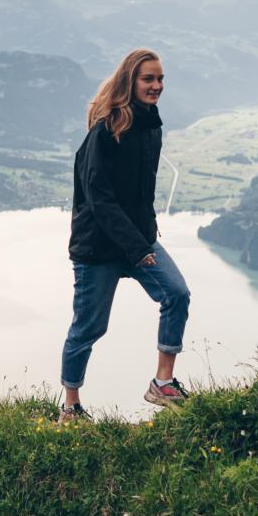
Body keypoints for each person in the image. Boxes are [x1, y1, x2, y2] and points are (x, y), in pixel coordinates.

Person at [60, 48, 190, 421]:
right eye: (148, 79)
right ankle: (70, 407)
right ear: (129, 81)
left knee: (177, 294)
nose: (156, 85)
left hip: (137, 239)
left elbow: (141, 190)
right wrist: (136, 245)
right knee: (89, 328)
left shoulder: (151, 127)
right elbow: (99, 199)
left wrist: (146, 230)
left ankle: (163, 383)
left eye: (160, 79)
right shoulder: (105, 131)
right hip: (99, 246)